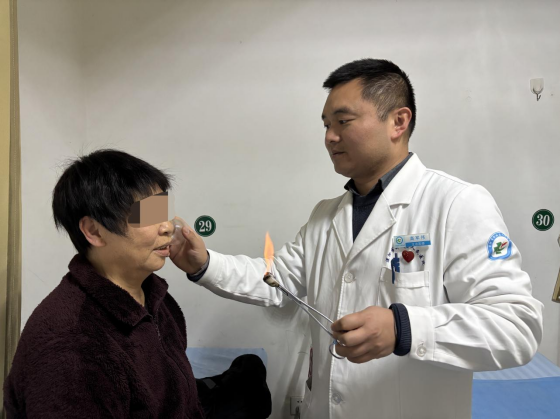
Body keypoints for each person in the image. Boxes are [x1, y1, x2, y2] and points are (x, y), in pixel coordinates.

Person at [170, 59, 544, 419]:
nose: (330, 137)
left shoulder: (456, 204)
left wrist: (403, 328)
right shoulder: (325, 215)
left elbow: (516, 326)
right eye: (326, 125)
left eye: (343, 122)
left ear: (398, 121)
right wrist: (205, 264)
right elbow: (275, 281)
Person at [3, 150, 205, 418]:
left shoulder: (155, 295)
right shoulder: (72, 346)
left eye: (164, 210)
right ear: (94, 231)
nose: (168, 226)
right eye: (148, 214)